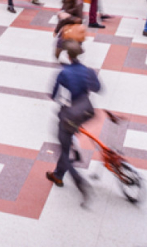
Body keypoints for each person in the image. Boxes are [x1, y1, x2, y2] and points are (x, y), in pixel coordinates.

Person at [46, 40, 100, 206]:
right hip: (85, 112)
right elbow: (97, 88)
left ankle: (80, 183)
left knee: (63, 148)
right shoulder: (88, 71)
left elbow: (53, 95)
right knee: (68, 138)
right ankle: (58, 175)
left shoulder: (63, 73)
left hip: (70, 114)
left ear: (67, 56)